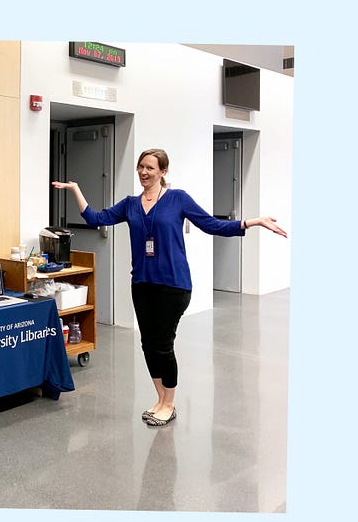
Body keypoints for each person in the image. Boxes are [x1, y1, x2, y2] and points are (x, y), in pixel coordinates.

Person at [52, 148, 287, 426]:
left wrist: (253, 222)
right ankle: (161, 399)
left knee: (163, 345)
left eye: (150, 167)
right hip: (141, 283)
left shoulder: (177, 199)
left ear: (163, 172)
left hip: (173, 286)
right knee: (147, 344)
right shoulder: (130, 204)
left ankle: (170, 403)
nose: (143, 172)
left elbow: (211, 225)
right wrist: (77, 190)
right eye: (141, 167)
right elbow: (96, 219)